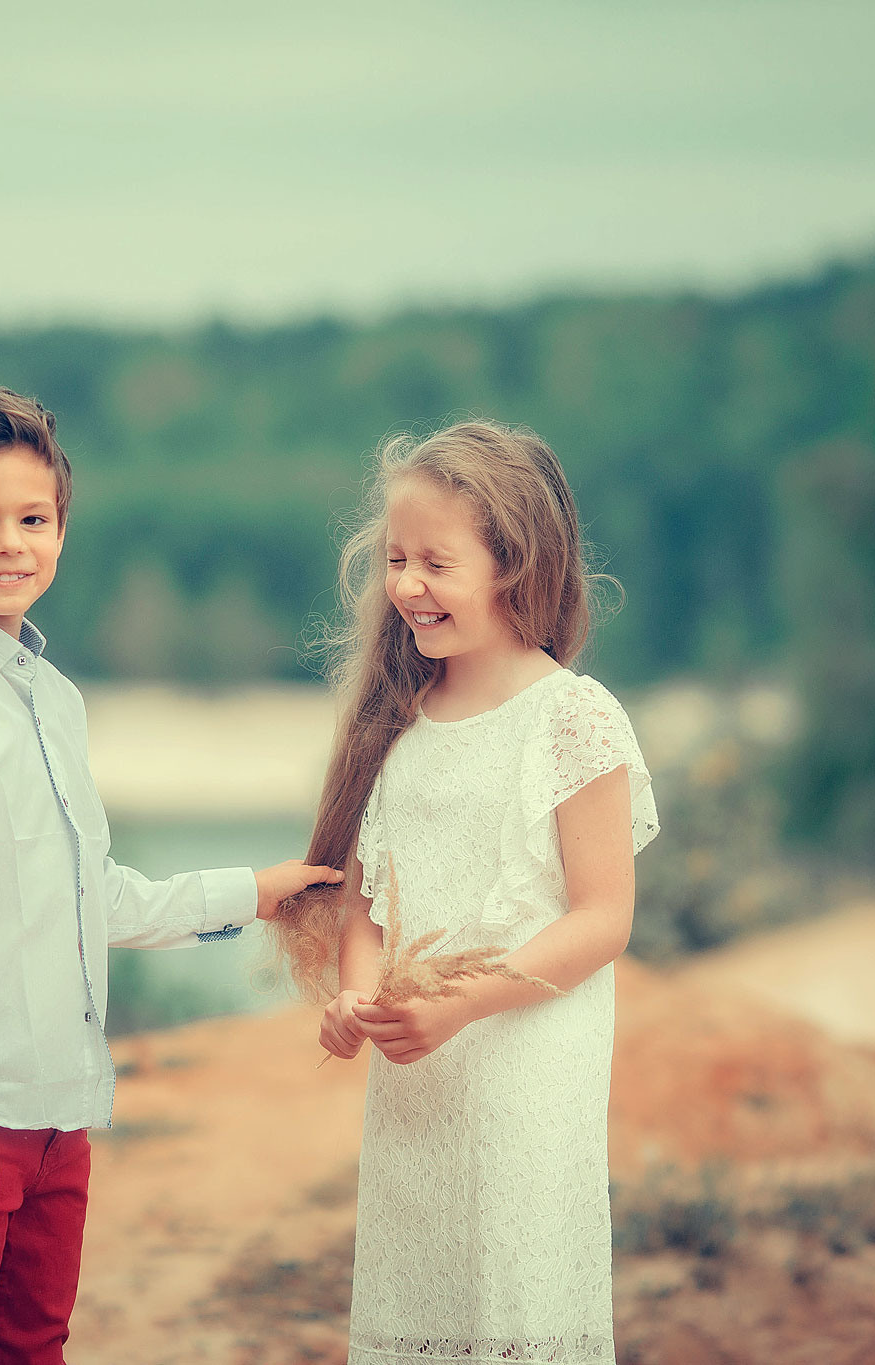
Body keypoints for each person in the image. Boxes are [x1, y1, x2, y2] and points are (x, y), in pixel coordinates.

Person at [0, 382, 343, 1365]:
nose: (8, 545)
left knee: (32, 1348)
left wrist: (250, 891)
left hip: (58, 1103)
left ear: (62, 530)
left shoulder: (54, 702)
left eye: (32, 519)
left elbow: (91, 894)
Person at [275, 419, 660, 1365]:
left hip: (526, 1088)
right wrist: (357, 994)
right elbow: (369, 906)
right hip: (417, 1099)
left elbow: (604, 916)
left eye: (435, 562)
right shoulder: (400, 727)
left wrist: (461, 1001)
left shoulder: (573, 717)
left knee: (514, 1308)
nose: (406, 584)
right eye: (396, 558)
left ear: (516, 565)